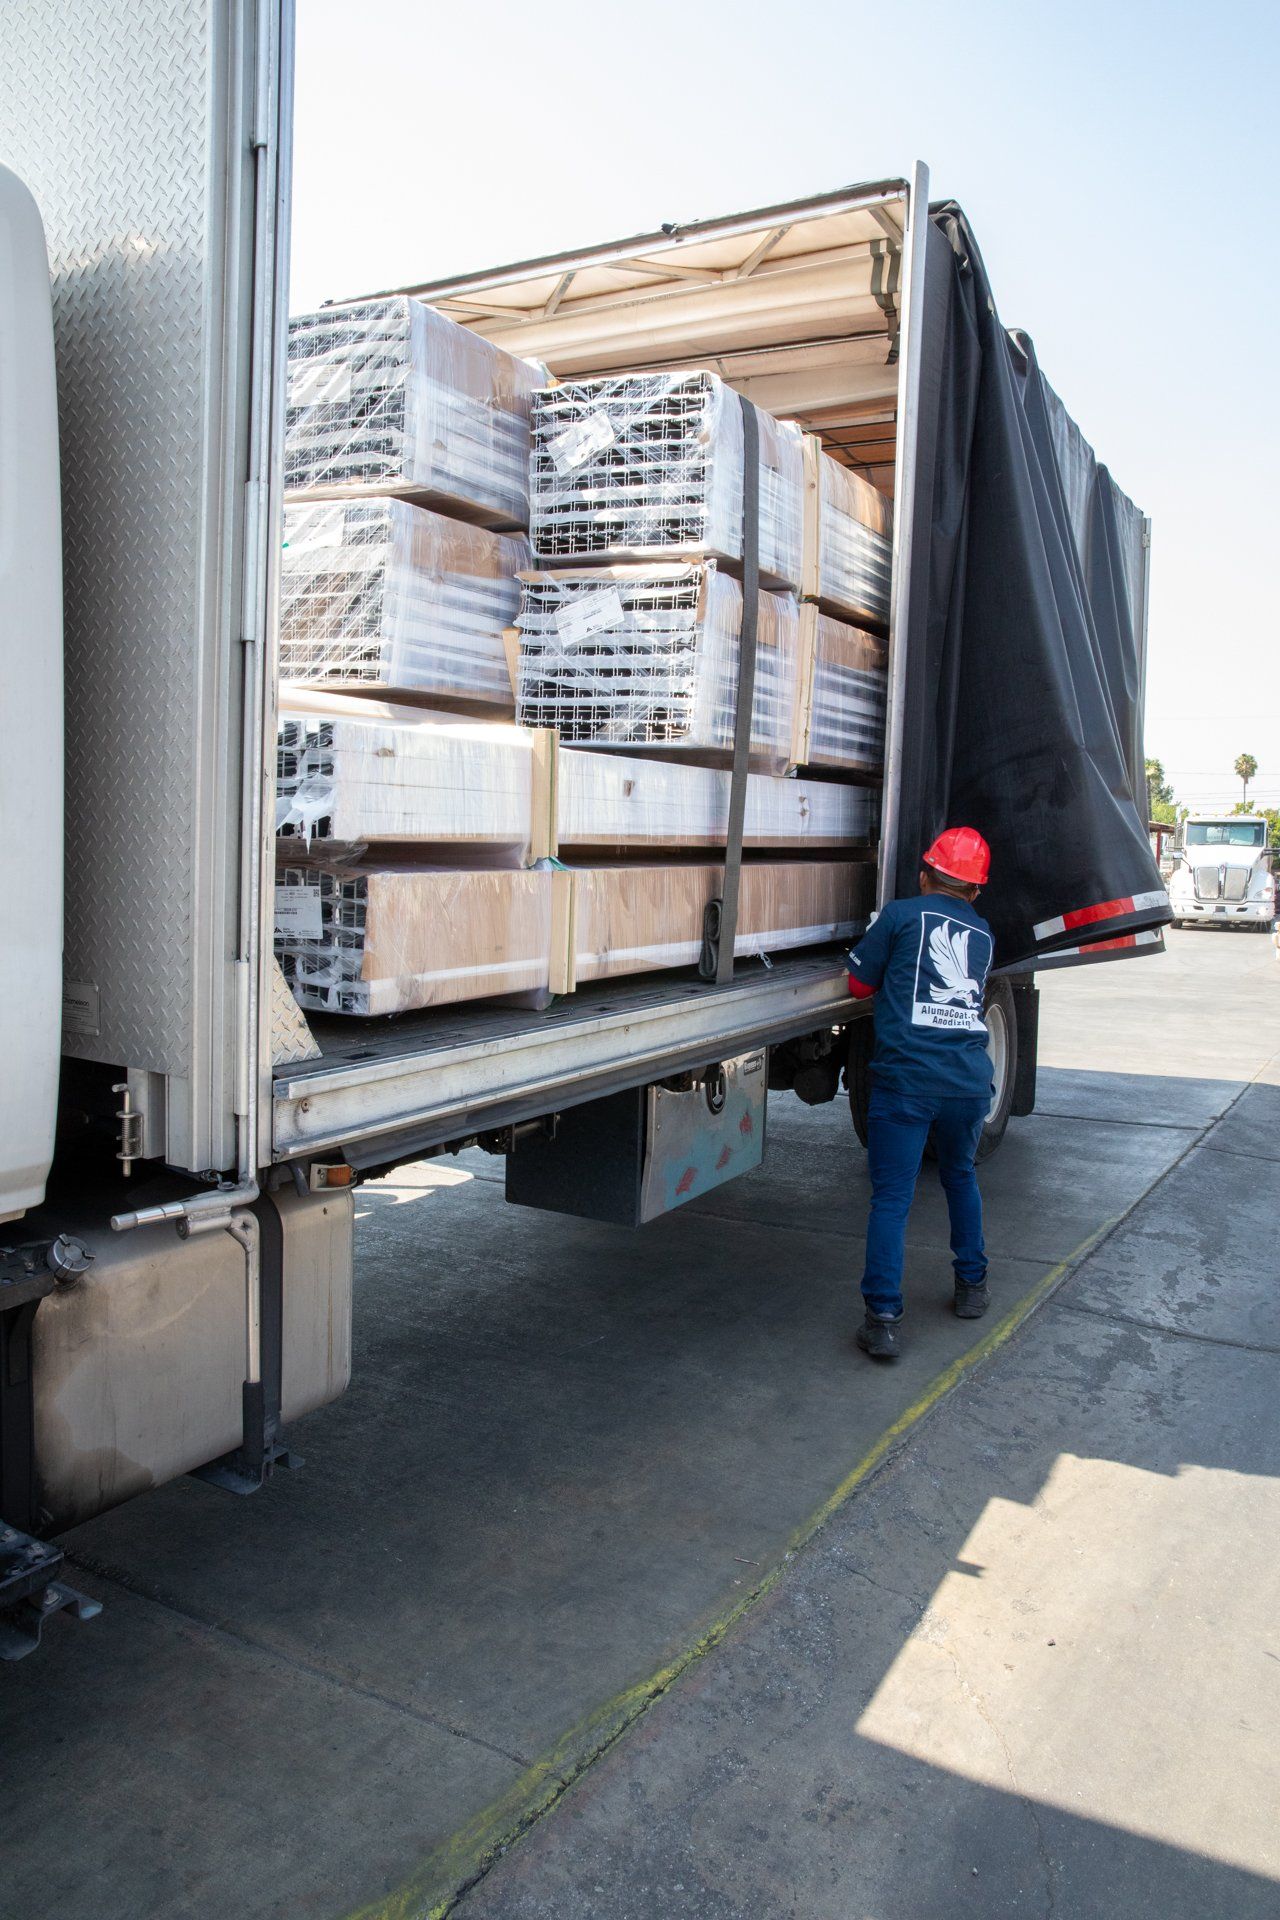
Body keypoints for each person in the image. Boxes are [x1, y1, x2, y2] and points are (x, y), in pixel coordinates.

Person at [845, 828, 995, 1360]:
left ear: (924, 873)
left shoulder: (900, 915)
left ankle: (883, 1320)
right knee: (960, 1176)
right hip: (968, 1083)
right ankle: (972, 1287)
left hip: (906, 1081)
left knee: (892, 1199)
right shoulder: (983, 933)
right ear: (975, 891)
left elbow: (859, 986)